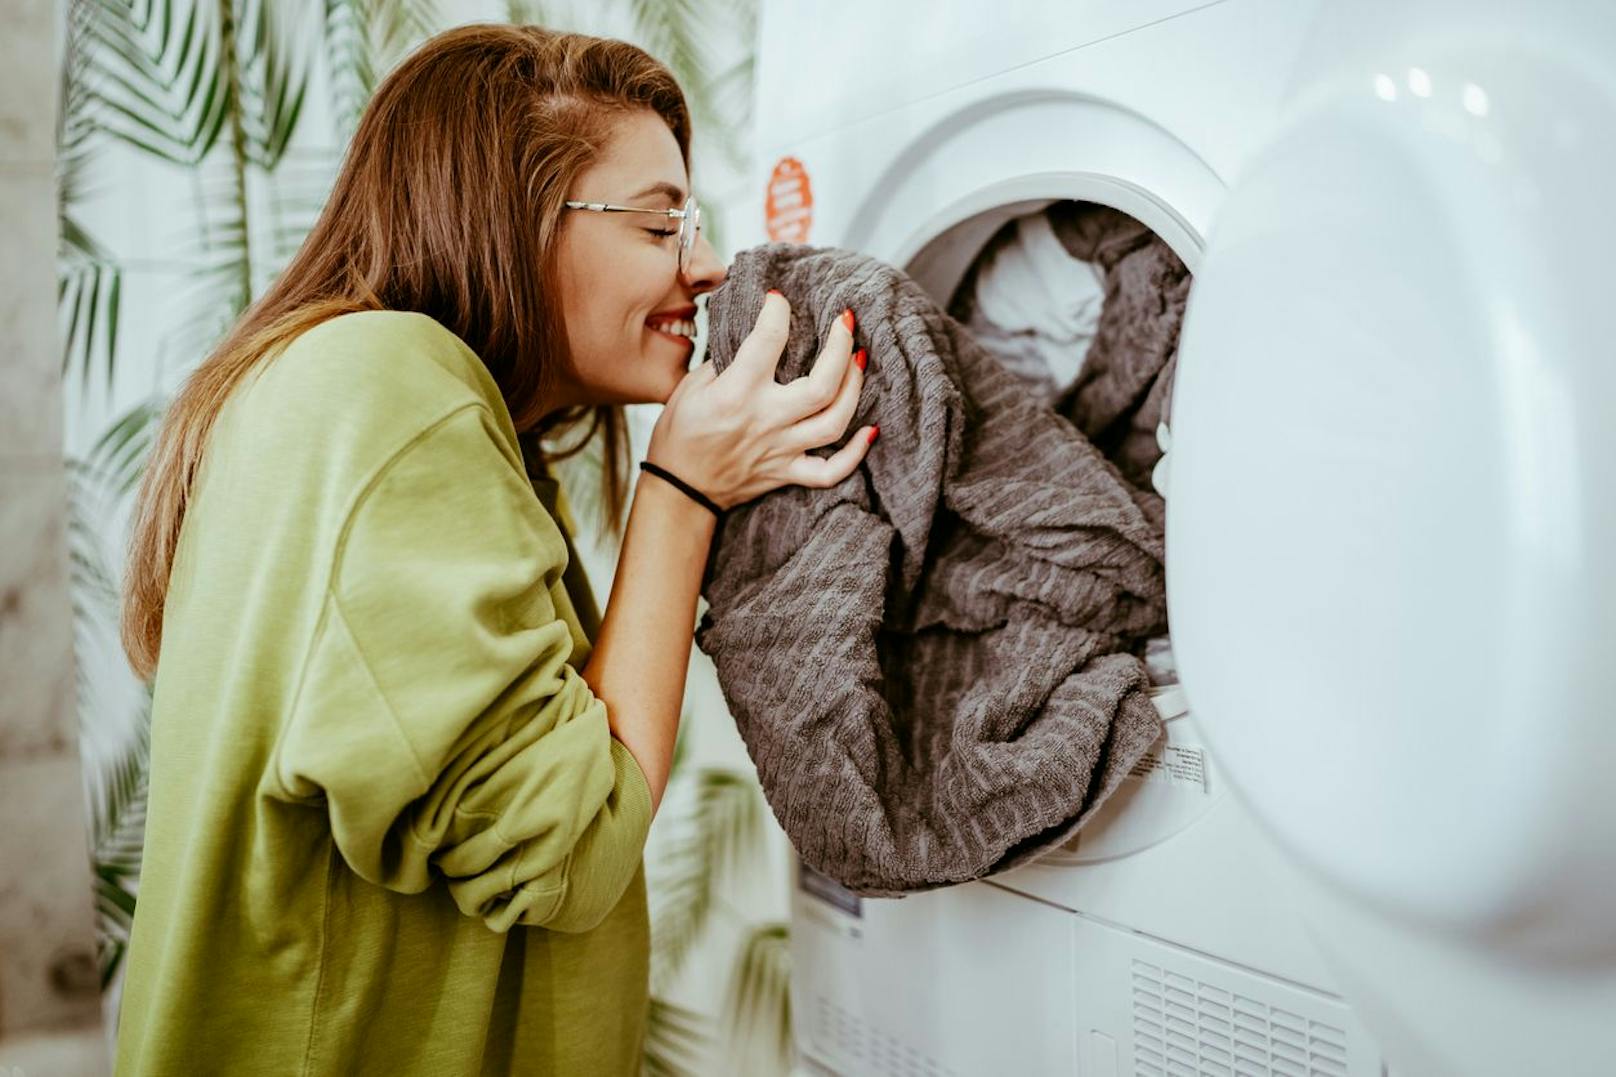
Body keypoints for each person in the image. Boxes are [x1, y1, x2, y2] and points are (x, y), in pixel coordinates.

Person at [113, 23, 874, 1076]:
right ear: (514, 215)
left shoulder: (405, 409)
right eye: (660, 224)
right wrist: (682, 490)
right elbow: (568, 849)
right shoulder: (384, 385)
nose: (704, 267)